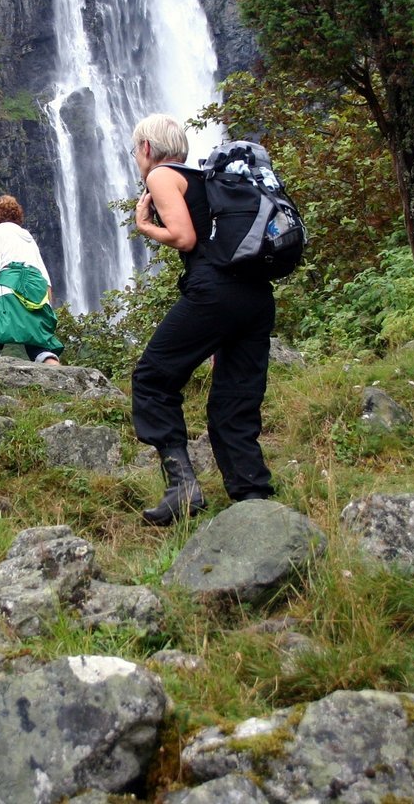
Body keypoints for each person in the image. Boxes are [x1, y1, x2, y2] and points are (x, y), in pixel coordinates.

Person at [129, 114, 275, 525]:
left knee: (152, 379)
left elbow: (185, 237)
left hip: (214, 294)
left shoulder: (161, 175)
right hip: (255, 295)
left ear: (146, 148)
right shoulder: (208, 179)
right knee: (235, 397)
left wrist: (144, 225)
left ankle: (182, 488)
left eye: (136, 152)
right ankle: (253, 496)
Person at [0, 194, 62, 365]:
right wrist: (48, 309)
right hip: (36, 292)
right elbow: (45, 278)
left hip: (9, 287)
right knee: (40, 343)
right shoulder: (27, 237)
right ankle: (63, 382)